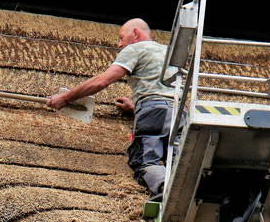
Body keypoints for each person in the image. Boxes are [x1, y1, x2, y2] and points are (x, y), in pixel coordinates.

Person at [47, 18, 177, 200]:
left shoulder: (135, 49)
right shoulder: (171, 53)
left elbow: (103, 80)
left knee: (144, 159)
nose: (119, 44)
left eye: (121, 38)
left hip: (153, 109)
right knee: (181, 157)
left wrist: (65, 97)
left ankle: (166, 191)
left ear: (136, 33)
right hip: (181, 114)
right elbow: (165, 95)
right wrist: (136, 108)